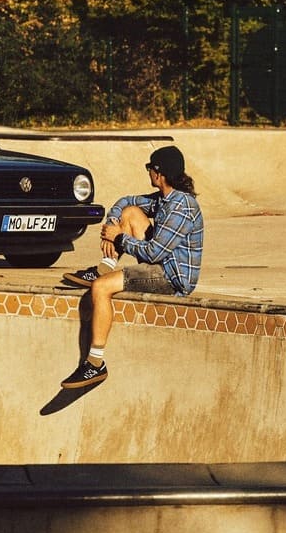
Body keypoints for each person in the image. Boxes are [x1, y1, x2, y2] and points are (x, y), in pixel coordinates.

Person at [58, 144, 204, 387]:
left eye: (149, 168)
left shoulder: (182, 207)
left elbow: (155, 252)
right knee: (131, 212)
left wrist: (118, 237)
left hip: (171, 277)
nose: (148, 173)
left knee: (101, 288)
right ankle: (105, 265)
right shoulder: (165, 199)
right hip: (160, 265)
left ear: (159, 173)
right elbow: (126, 201)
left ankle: (95, 365)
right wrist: (114, 222)